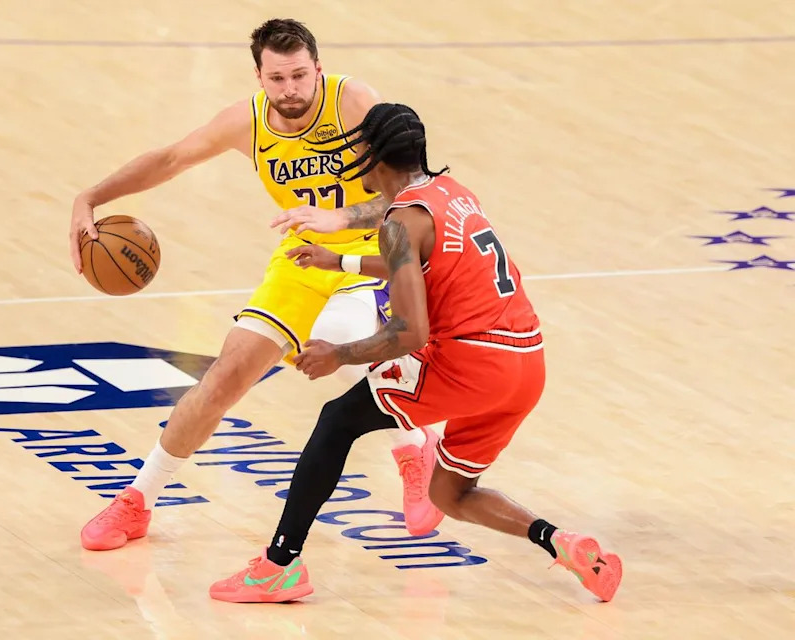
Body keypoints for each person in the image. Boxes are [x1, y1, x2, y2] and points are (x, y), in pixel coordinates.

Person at [209, 103, 623, 604]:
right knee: (450, 494)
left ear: (372, 156)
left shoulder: (400, 222)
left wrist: (338, 354)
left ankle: (279, 565)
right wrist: (338, 260)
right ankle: (561, 542)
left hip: (472, 361)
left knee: (337, 421)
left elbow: (411, 332)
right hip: (526, 364)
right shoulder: (453, 192)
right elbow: (417, 265)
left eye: (357, 148)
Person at [70, 20, 442, 552]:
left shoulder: (355, 102)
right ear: (259, 77)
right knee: (225, 376)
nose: (290, 89)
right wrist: (90, 197)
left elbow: (415, 190)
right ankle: (138, 499)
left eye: (299, 75)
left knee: (343, 338)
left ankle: (414, 444)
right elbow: (171, 159)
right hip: (304, 258)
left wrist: (342, 217)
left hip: (377, 252)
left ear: (318, 68)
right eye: (277, 79)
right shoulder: (245, 122)